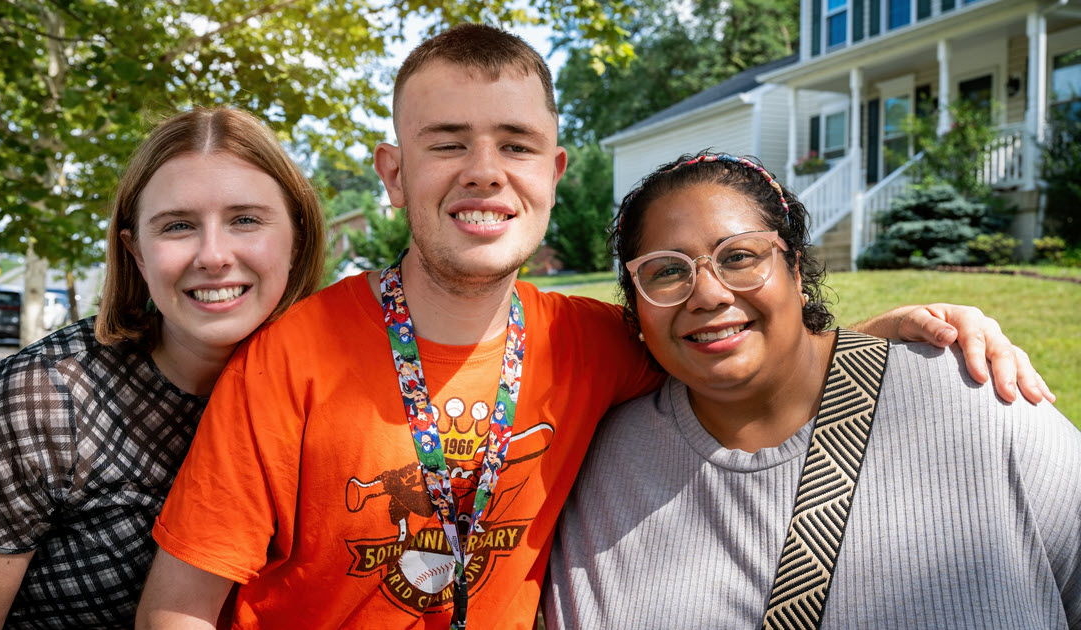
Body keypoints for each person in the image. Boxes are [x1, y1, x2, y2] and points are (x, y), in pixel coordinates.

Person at [137, 25, 1050, 630]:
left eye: (517, 144)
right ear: (392, 171)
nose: (484, 172)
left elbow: (742, 344)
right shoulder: (292, 356)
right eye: (446, 141)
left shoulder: (600, 341)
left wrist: (882, 336)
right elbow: (179, 606)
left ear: (556, 169)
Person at [546, 153, 1080, 629]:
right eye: (666, 271)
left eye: (738, 256)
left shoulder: (976, 405)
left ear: (796, 271)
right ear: (636, 307)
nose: (707, 294)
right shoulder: (593, 470)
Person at [0, 107, 325, 629]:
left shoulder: (334, 384)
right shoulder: (45, 402)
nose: (214, 255)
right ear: (136, 253)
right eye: (178, 226)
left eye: (245, 219)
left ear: (297, 236)